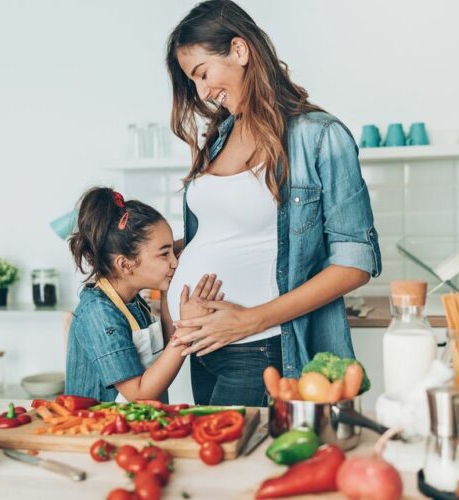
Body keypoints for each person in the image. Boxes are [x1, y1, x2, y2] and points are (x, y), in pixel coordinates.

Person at [163, 0, 382, 406]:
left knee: (245, 451)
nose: (202, 92)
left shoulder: (320, 136)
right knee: (216, 451)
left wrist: (248, 320)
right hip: (204, 349)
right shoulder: (220, 136)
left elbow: (355, 263)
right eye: (193, 81)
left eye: (202, 73)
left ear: (239, 50)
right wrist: (156, 253)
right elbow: (230, 233)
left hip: (260, 348)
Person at [65, 186, 222, 402]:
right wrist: (187, 330)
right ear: (125, 264)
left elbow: (166, 346)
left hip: (134, 421)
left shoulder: (134, 302)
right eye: (164, 254)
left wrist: (169, 291)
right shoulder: (99, 314)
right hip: (100, 422)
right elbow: (139, 394)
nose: (174, 261)